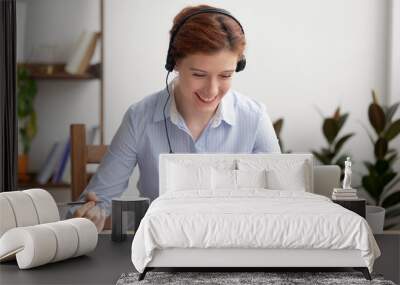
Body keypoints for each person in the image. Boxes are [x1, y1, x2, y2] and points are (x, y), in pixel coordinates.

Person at [69, 4, 281, 232]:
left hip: (235, 249)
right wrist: (93, 213)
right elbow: (94, 204)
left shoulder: (255, 118)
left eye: (225, 75)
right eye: (199, 74)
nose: (212, 90)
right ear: (175, 62)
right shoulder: (140, 117)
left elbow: (282, 203)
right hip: (159, 253)